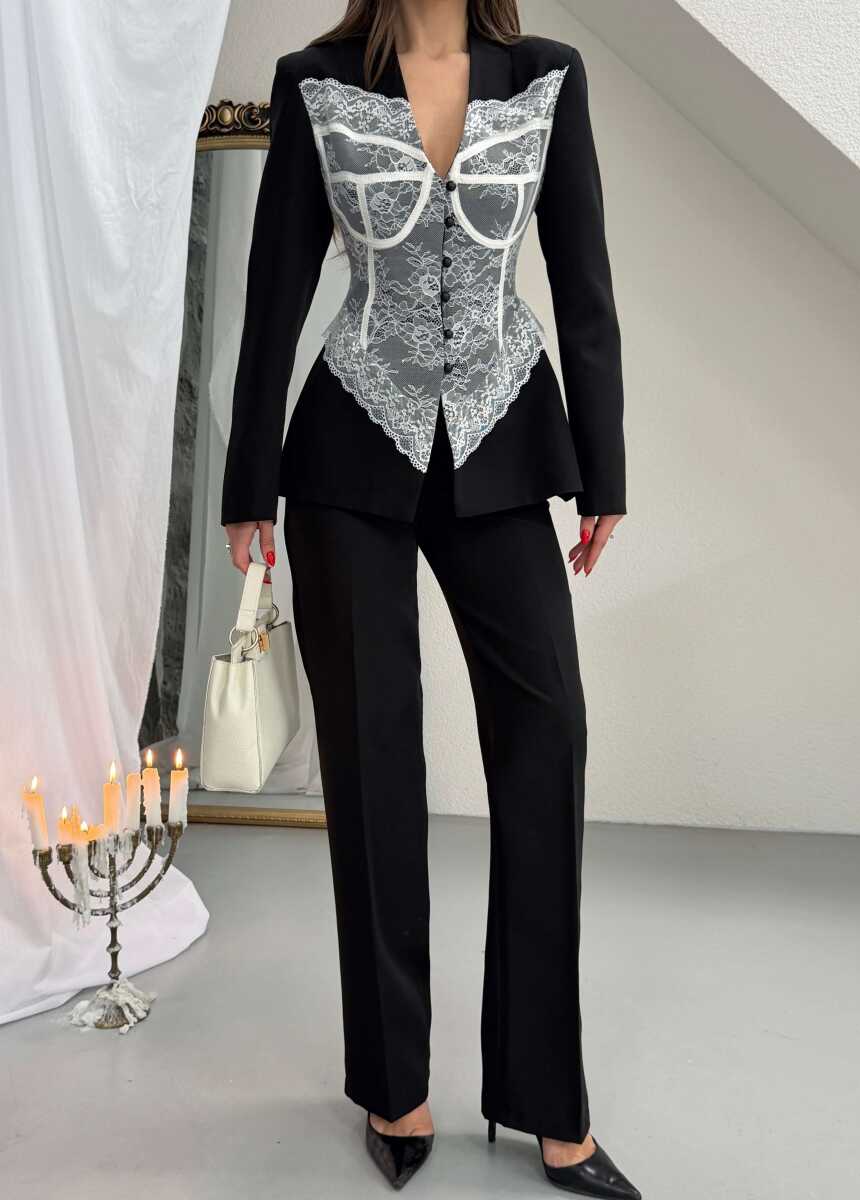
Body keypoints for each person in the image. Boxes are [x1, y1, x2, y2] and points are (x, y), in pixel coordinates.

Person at [222, 1, 639, 1194]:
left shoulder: (547, 75)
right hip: (349, 453)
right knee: (373, 763)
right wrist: (250, 484)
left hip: (506, 439)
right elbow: (275, 291)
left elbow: (584, 281)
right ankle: (393, 1086)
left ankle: (549, 1102)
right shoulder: (313, 79)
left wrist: (603, 469)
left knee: (548, 736)